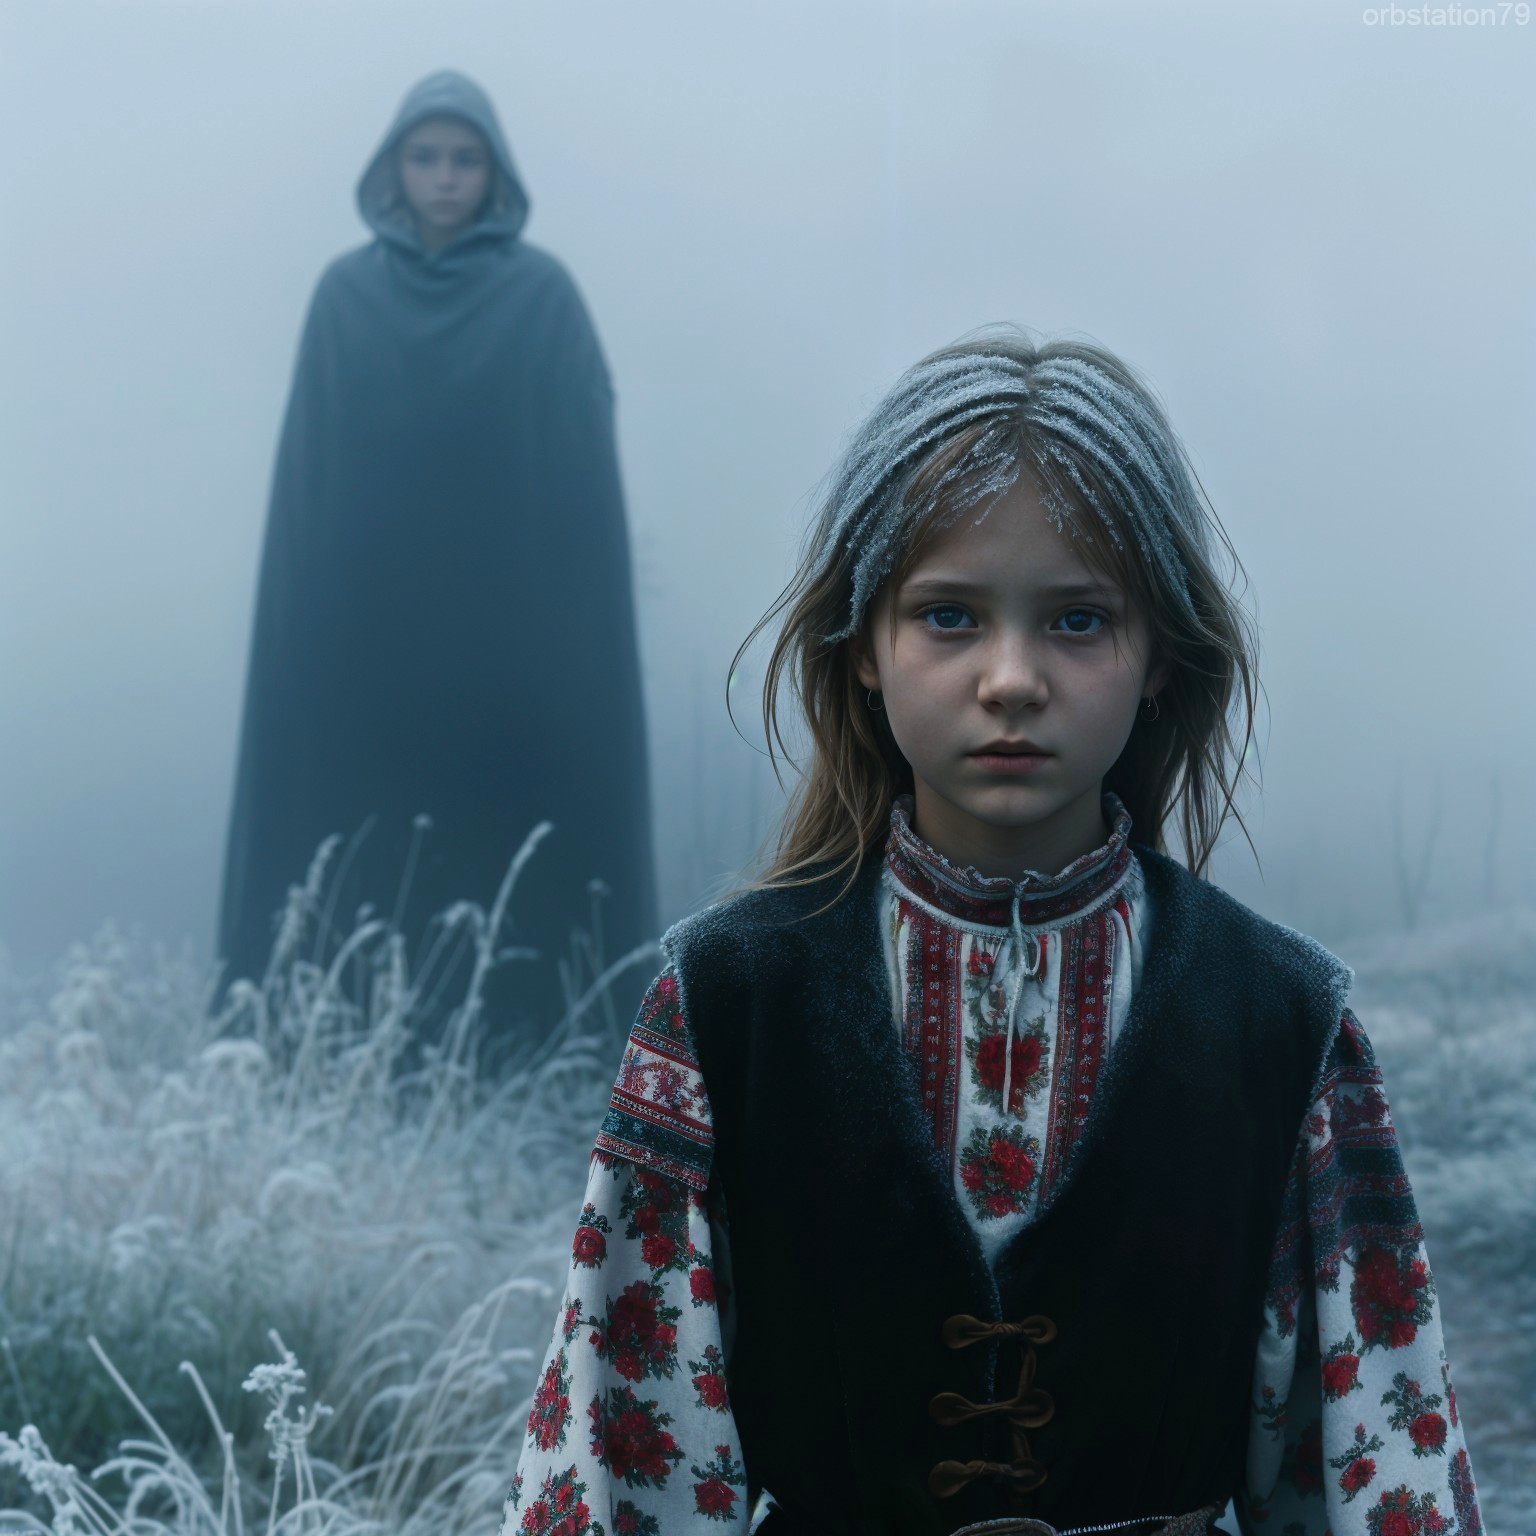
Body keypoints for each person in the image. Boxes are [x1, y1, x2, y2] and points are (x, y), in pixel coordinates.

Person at [503, 333, 1481, 1534]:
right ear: (864, 647)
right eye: (950, 615)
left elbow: (1371, 1466)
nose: (1011, 677)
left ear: (1160, 658)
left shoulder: (1282, 1017)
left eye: (1077, 621)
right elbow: (625, 1447)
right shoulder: (726, 1001)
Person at [219, 71, 656, 1039]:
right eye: (426, 157)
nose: (445, 179)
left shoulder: (543, 297)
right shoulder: (345, 298)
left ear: (494, 172)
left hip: (507, 656)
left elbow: (574, 485)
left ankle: (523, 1048)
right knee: (371, 849)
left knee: (502, 848)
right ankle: (344, 1042)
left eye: (465, 159)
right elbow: (315, 488)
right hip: (369, 654)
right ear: (393, 168)